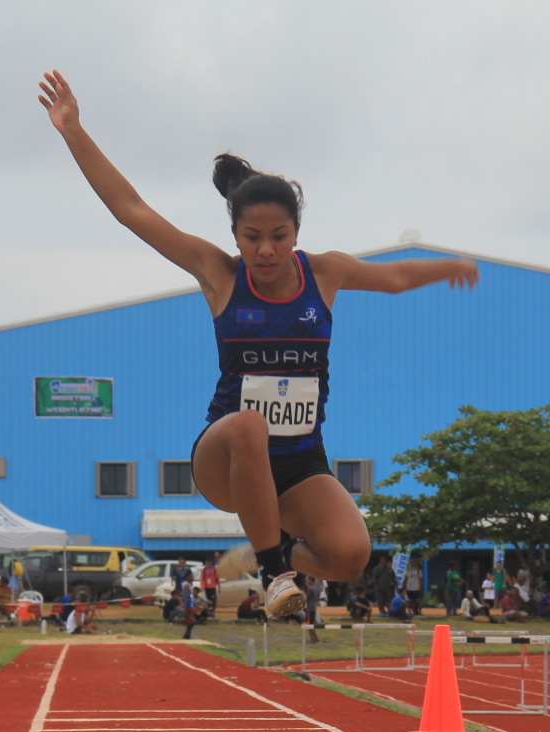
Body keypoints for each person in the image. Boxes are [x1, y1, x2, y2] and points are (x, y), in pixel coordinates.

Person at [39, 70, 476, 622]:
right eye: (252, 238)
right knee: (250, 423)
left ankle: (273, 551)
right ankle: (274, 573)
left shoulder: (327, 274)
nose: (265, 251)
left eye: (279, 237)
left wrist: (450, 266)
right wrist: (74, 131)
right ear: (235, 236)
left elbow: (391, 279)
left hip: (297, 460)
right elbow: (133, 210)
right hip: (226, 455)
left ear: (296, 231)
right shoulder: (220, 276)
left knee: (350, 556)